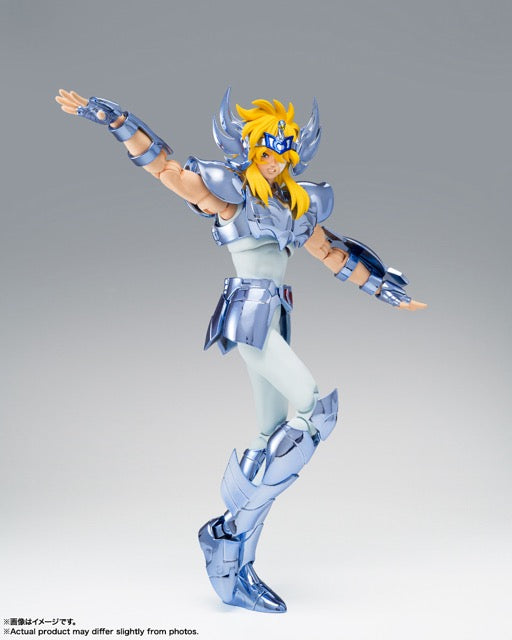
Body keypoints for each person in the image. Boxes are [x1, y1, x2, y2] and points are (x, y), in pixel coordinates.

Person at [55, 88, 426, 613]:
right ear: (251, 151)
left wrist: (384, 290)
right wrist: (118, 121)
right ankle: (228, 531)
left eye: (284, 156)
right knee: (315, 412)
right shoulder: (232, 197)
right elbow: (165, 171)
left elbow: (330, 254)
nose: (275, 164)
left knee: (271, 436)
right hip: (248, 317)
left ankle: (236, 566)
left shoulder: (295, 206)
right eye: (267, 154)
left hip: (276, 315)